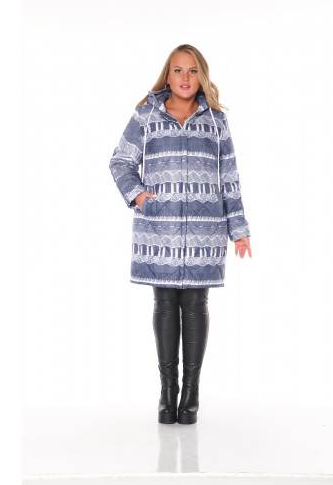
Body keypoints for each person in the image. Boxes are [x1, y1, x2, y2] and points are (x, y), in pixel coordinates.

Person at [109, 44, 252, 424]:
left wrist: (238, 229)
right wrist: (139, 195)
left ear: (201, 76)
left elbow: (229, 176)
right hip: (160, 228)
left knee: (196, 304)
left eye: (192, 71)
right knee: (164, 303)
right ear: (168, 75)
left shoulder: (216, 121)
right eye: (178, 70)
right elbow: (120, 161)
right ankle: (167, 391)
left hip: (206, 230)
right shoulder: (146, 115)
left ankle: (191, 393)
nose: (185, 78)